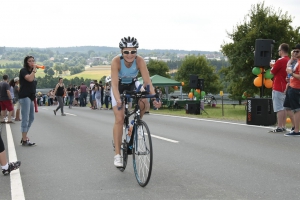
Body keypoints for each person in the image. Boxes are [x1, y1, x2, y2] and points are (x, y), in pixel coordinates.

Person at [111, 36, 161, 167]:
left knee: (144, 100)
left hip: (133, 83)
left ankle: (136, 124)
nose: (130, 55)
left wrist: (155, 97)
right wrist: (118, 99)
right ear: (122, 52)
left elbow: (147, 81)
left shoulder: (139, 61)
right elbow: (114, 86)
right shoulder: (116, 61)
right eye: (126, 52)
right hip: (119, 86)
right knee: (120, 118)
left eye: (133, 51)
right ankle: (117, 155)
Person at [270, 43, 290, 132]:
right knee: (284, 107)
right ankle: (284, 125)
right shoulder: (289, 60)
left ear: (281, 51)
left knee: (279, 108)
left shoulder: (280, 60)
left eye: (279, 50)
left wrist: (272, 66)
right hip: (286, 86)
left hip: (278, 86)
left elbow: (272, 72)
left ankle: (279, 126)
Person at [19, 55, 37, 146]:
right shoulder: (23, 71)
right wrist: (34, 70)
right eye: (30, 61)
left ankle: (24, 137)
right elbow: (29, 79)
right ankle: (24, 139)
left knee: (31, 118)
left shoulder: (32, 72)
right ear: (26, 62)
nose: (32, 62)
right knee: (25, 118)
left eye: (33, 60)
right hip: (24, 96)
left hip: (30, 97)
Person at [285, 44, 300, 136]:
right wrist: (290, 78)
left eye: (297, 51)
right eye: (294, 51)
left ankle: (296, 130)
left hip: (296, 88)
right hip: (292, 86)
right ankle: (295, 128)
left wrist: (292, 74)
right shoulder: (297, 61)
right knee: (289, 108)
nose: (295, 53)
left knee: (296, 109)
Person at [283, 50, 297, 133]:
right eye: (292, 54)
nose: (293, 55)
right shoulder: (291, 63)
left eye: (295, 53)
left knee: (295, 108)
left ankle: (295, 127)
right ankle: (294, 125)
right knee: (287, 107)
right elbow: (289, 75)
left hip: (295, 87)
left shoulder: (297, 64)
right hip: (290, 86)